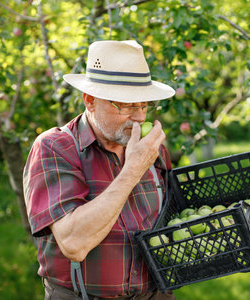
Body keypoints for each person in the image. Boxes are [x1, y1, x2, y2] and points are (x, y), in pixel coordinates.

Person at [23, 40, 176, 300]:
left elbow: (173, 212)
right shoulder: (56, 148)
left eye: (144, 105)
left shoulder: (150, 147)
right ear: (90, 100)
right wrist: (132, 171)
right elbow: (74, 244)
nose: (140, 118)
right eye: (127, 105)